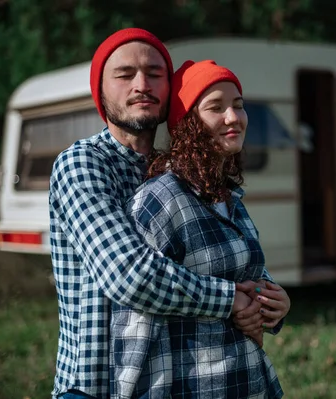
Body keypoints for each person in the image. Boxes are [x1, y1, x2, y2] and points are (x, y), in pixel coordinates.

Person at [49, 28, 264, 399]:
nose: (141, 84)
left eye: (154, 73)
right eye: (124, 74)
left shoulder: (180, 174)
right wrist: (231, 300)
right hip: (94, 383)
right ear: (99, 90)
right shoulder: (83, 164)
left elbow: (222, 256)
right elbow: (128, 276)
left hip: (166, 377)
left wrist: (267, 297)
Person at [112, 59, 291, 398]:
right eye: (216, 107)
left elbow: (247, 276)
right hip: (191, 386)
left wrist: (275, 304)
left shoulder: (230, 197)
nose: (233, 117)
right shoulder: (161, 199)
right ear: (188, 123)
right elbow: (136, 311)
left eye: (238, 106)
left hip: (247, 381)